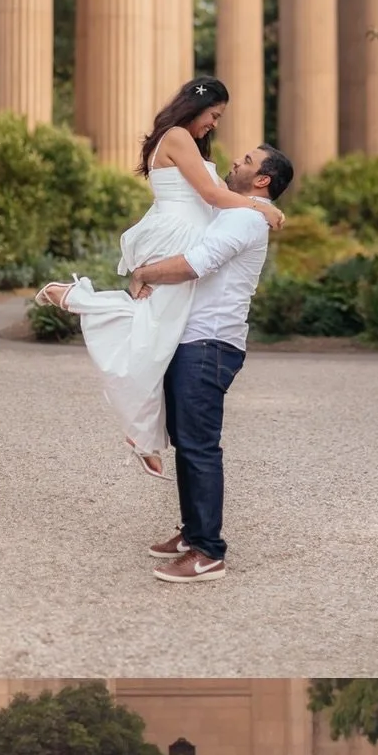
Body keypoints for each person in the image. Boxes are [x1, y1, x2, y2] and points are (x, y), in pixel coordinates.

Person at [34, 79, 285, 477]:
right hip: (176, 235)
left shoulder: (184, 141)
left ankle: (142, 435)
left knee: (158, 335)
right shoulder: (178, 137)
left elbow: (217, 196)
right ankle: (75, 298)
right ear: (197, 106)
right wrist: (261, 208)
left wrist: (249, 205)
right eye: (214, 115)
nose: (215, 124)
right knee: (154, 332)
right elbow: (212, 196)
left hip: (182, 232)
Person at [132, 142, 295, 584]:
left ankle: (207, 552)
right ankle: (192, 532)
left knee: (200, 445)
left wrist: (145, 272)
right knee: (188, 440)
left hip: (209, 344)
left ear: (262, 179)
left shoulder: (244, 218)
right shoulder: (238, 210)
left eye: (247, 161)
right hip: (195, 339)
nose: (236, 161)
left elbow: (195, 264)